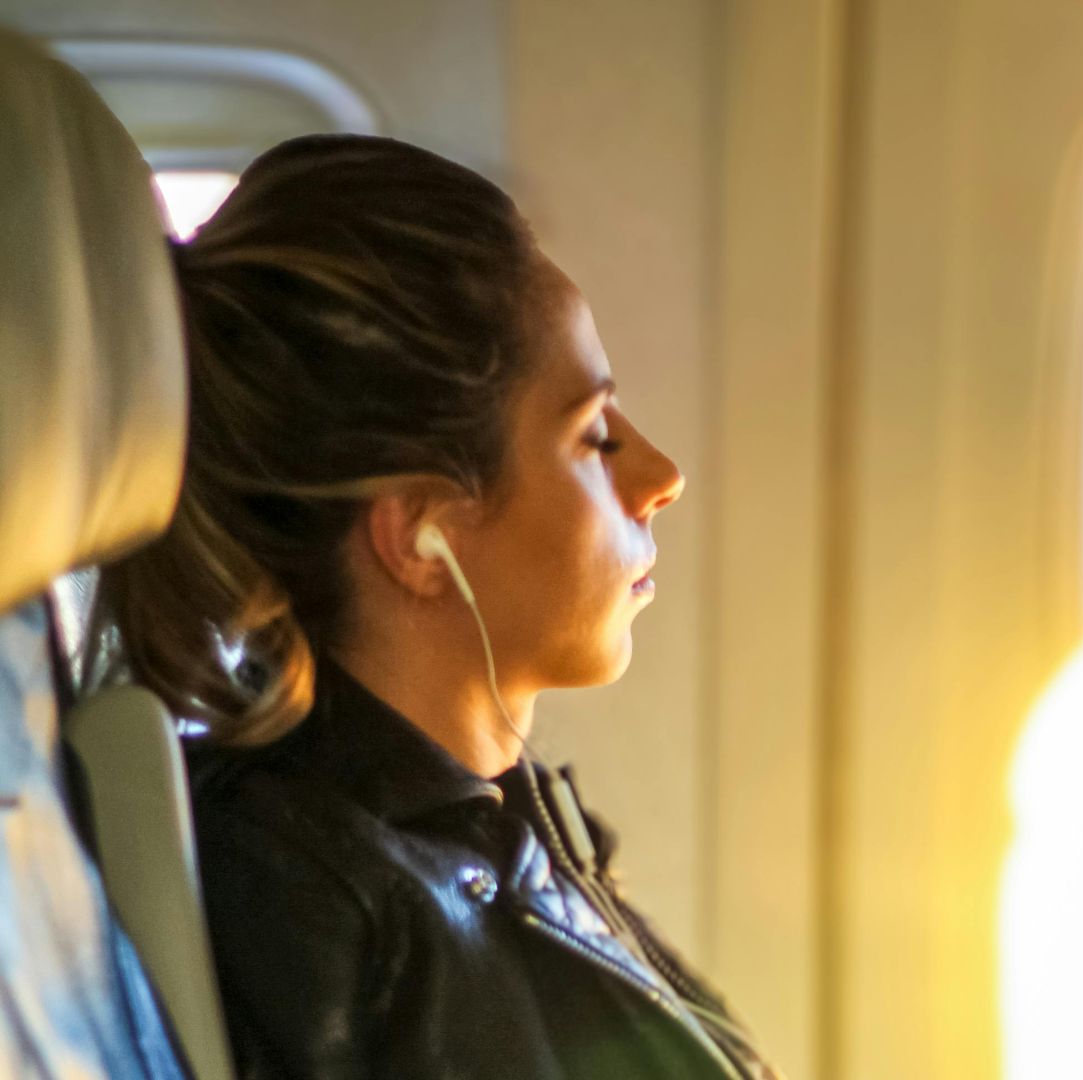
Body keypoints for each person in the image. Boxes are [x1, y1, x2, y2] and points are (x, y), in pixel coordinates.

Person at [89, 133, 779, 1080]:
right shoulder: (319, 906)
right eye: (593, 438)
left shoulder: (497, 824)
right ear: (420, 535)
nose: (662, 477)